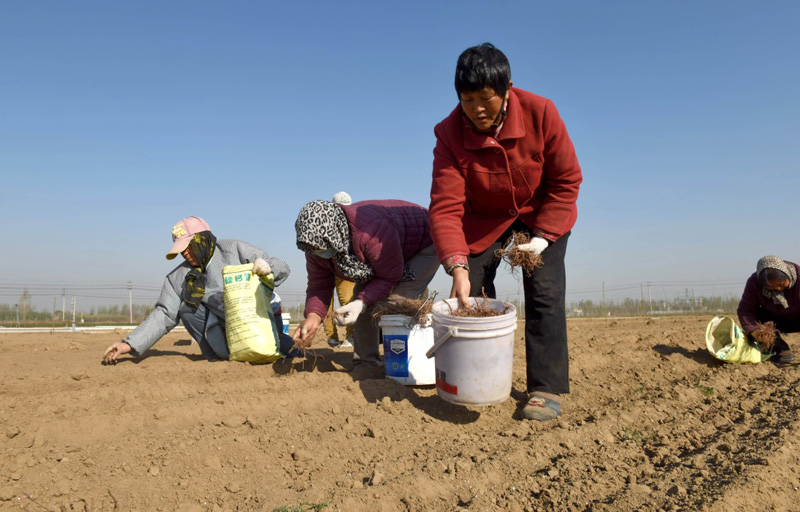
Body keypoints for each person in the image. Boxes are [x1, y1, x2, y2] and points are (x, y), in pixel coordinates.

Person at [428, 43, 582, 421]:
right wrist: (457, 267)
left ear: (508, 89)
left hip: (541, 213)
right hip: (483, 220)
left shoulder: (541, 113)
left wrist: (543, 238)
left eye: (486, 98)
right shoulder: (449, 133)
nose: (477, 109)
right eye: (467, 99)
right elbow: (446, 206)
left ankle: (544, 388)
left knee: (544, 292)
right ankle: (477, 378)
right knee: (471, 298)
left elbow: (566, 181)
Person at [103, 216, 291, 364]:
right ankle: (221, 357)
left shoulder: (234, 250)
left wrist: (267, 267)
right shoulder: (179, 277)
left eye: (189, 246)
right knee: (187, 308)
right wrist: (129, 344)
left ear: (203, 239)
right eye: (181, 250)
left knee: (284, 350)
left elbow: (282, 266)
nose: (184, 253)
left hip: (259, 319)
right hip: (226, 325)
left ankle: (290, 348)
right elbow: (164, 315)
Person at [293, 199, 439, 379]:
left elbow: (389, 276)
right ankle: (367, 363)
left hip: (425, 240)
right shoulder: (315, 248)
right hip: (385, 254)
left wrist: (362, 303)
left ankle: (409, 364)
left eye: (322, 246)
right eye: (313, 248)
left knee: (398, 301)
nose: (318, 251)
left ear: (335, 232)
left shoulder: (369, 231)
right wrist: (313, 317)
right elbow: (319, 286)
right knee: (361, 303)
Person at [737, 255, 800, 364]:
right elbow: (746, 310)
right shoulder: (754, 283)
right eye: (772, 287)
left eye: (781, 284)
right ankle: (781, 351)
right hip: (777, 320)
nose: (778, 289)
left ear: (787, 275)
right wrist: (754, 331)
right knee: (759, 317)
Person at [323, 191, 356, 348]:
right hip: (326, 266)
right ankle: (332, 336)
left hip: (345, 268)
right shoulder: (325, 223)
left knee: (348, 299)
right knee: (325, 301)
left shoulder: (354, 222)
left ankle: (351, 335)